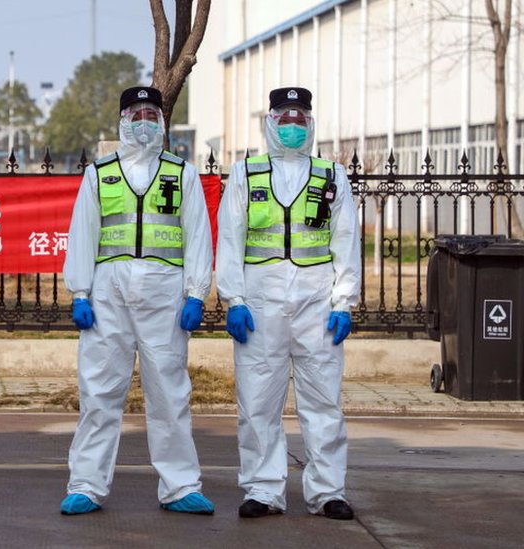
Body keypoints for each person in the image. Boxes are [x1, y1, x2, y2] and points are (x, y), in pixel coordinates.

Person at [59, 86, 215, 516]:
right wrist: (80, 292)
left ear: (162, 122)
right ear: (122, 120)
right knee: (99, 391)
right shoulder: (101, 173)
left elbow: (198, 234)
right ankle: (87, 485)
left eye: (152, 113)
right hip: (108, 296)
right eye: (136, 113)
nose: (144, 120)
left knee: (169, 393)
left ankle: (180, 486)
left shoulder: (181, 173)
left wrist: (196, 293)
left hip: (165, 295)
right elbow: (83, 234)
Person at [216, 87, 361, 520]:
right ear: (270, 122)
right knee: (258, 400)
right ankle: (263, 490)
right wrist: (233, 298)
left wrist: (344, 301)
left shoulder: (331, 174)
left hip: (317, 301)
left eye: (300, 119)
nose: (292, 126)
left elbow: (346, 240)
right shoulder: (246, 173)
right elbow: (230, 237)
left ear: (311, 123)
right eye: (285, 118)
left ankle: (327, 491)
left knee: (322, 401)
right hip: (260, 302)